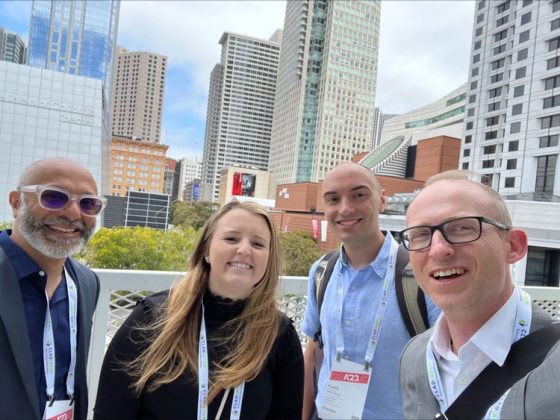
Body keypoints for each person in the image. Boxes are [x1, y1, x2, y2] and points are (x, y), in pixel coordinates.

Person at [94, 200, 304, 419]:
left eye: (258, 244)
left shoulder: (279, 335)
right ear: (206, 250)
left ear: (269, 259)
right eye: (231, 238)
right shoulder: (152, 318)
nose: (244, 250)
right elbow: (110, 413)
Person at [399, 170, 560, 419]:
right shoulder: (413, 357)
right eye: (421, 234)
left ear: (513, 246)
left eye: (462, 227)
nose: (438, 249)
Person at [301, 162, 441, 420]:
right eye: (333, 199)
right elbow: (315, 350)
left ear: (381, 200)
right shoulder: (321, 272)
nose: (345, 208)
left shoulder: (420, 274)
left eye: (358, 195)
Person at [0, 158, 105, 420]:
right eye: (54, 197)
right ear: (16, 203)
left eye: (88, 203)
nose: (73, 214)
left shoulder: (86, 282)